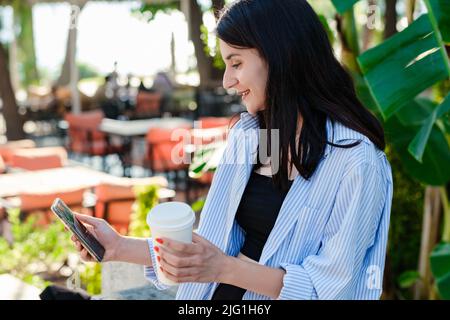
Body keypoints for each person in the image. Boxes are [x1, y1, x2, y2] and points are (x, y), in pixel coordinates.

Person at [70, 0, 393, 300]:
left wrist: (224, 268)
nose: (227, 81)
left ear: (281, 57)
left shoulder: (354, 161)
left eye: (236, 63)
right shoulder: (256, 137)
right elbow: (213, 247)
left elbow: (332, 289)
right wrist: (119, 247)